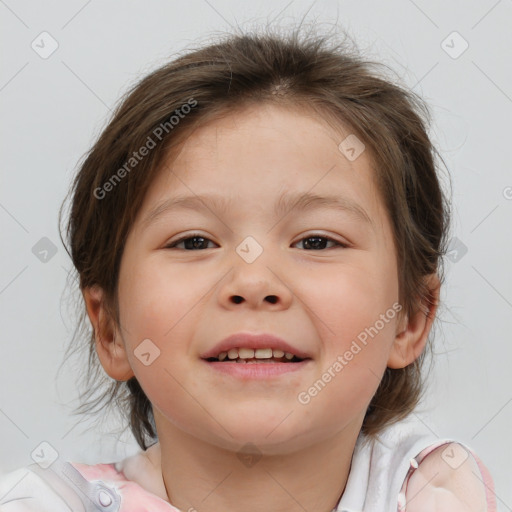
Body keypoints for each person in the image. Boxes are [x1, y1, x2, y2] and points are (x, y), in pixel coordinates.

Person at [0, 25, 496, 511]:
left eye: (317, 240)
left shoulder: (443, 495)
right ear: (109, 328)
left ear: (410, 316)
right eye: (194, 241)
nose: (254, 282)